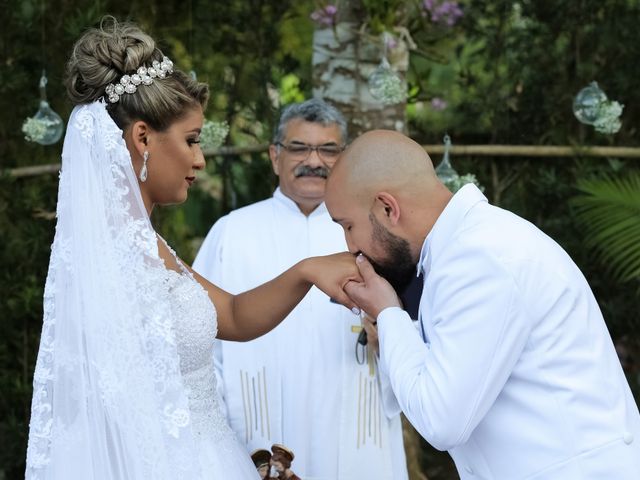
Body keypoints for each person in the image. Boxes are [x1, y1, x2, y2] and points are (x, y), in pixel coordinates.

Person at [24, 19, 361, 480]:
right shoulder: (102, 264)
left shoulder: (151, 245)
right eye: (191, 140)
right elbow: (112, 420)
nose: (201, 159)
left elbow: (237, 316)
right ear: (143, 138)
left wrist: (307, 271)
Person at [325, 129, 640, 479]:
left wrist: (388, 314)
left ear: (388, 208)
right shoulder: (460, 251)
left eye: (348, 226)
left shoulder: (480, 258)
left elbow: (441, 420)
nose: (350, 245)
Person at [193, 99, 408, 479]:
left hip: (357, 425)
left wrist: (386, 337)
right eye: (299, 148)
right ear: (275, 156)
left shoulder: (373, 233)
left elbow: (407, 328)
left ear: (345, 160)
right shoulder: (232, 232)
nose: (314, 160)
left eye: (328, 150)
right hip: (257, 431)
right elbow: (200, 336)